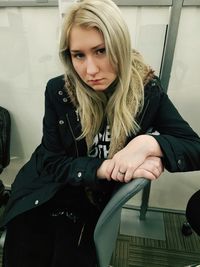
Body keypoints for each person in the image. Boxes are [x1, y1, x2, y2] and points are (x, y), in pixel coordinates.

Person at [1, 0, 200, 266]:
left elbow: (194, 147)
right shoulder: (59, 91)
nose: (90, 70)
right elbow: (51, 161)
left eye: (101, 51)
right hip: (46, 187)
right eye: (79, 55)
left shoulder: (145, 90)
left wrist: (149, 144)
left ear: (119, 46)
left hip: (88, 200)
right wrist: (104, 168)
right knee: (23, 251)